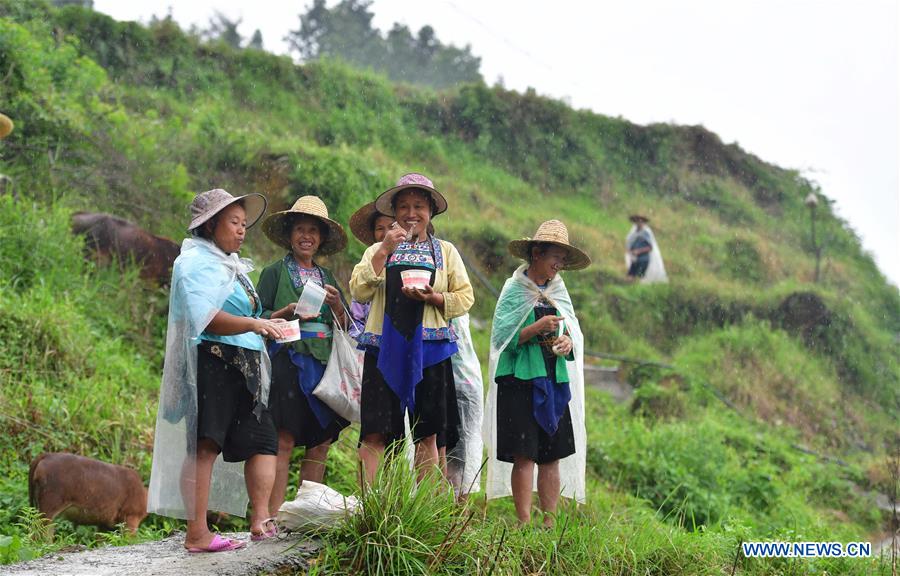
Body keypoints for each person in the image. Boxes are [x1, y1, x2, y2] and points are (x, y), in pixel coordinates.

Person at [148, 189, 288, 552]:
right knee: (206, 444)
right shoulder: (195, 263)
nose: (242, 230)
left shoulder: (232, 265)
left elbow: (246, 318)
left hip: (246, 365)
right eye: (234, 223)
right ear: (211, 225)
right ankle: (197, 533)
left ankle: (261, 519)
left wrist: (271, 321)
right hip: (213, 362)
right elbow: (206, 317)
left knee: (263, 441)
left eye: (244, 224)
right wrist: (255, 325)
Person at [350, 201, 483, 498]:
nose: (412, 213)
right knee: (375, 432)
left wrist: (435, 297)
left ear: (431, 212)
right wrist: (384, 249)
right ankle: (370, 507)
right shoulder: (377, 250)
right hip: (383, 349)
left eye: (419, 206)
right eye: (405, 207)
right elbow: (359, 290)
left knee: (428, 434)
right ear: (394, 212)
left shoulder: (445, 251)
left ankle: (423, 510)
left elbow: (465, 297)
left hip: (430, 349)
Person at [484, 219, 589, 527]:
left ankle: (549, 522)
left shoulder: (558, 292)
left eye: (563, 259)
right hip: (519, 381)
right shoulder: (514, 290)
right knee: (524, 454)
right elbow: (502, 339)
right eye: (555, 256)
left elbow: (572, 335)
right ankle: (523, 520)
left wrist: (566, 342)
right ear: (537, 254)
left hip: (552, 380)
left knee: (551, 455)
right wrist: (537, 328)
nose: (559, 264)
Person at [256, 195, 350, 515]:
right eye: (300, 229)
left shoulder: (328, 279)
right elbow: (257, 317)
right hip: (288, 361)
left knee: (319, 442)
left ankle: (307, 515)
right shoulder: (273, 273)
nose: (306, 235)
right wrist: (285, 312)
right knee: (283, 439)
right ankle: (272, 516)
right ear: (289, 234)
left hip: (323, 367)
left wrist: (337, 305)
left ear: (321, 238)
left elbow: (347, 326)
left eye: (313, 230)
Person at [625, 214, 668, 283]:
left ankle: (638, 290)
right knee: (630, 276)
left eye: (640, 221)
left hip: (643, 259)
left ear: (643, 222)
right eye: (637, 221)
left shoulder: (646, 233)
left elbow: (650, 247)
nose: (639, 222)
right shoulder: (633, 233)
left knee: (640, 277)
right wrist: (630, 251)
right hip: (635, 259)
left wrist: (638, 251)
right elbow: (630, 244)